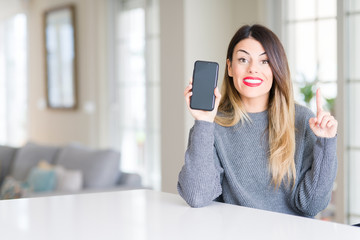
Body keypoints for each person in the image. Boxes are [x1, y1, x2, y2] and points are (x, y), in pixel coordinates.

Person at [178, 24, 338, 218]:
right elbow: (197, 196)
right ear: (230, 67)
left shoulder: (303, 120)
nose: (253, 69)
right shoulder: (214, 124)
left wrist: (326, 143)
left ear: (276, 68)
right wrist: (204, 122)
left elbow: (312, 205)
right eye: (243, 59)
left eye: (264, 61)